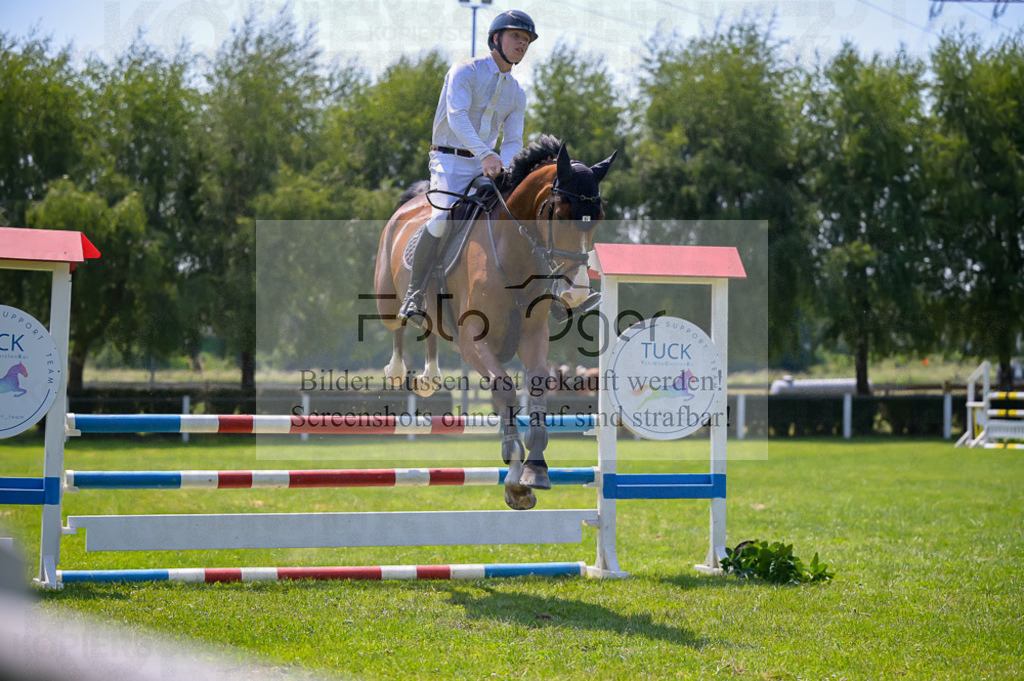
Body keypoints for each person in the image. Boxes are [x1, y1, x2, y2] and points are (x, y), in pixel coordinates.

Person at [397, 9, 538, 328]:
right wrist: (487, 153)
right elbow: (457, 117)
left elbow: (514, 139)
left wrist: (507, 165)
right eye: (516, 35)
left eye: (526, 39)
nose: (522, 43)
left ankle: (550, 292)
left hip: (486, 167)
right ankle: (414, 294)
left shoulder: (516, 93)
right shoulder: (464, 71)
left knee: (514, 217)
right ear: (495, 39)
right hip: (448, 160)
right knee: (442, 218)